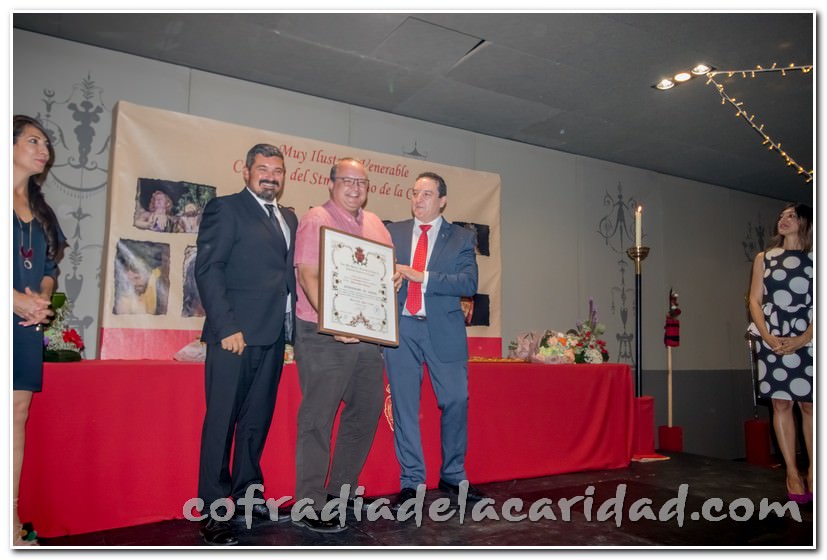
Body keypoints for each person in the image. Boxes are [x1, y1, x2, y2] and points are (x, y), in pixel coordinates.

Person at [194, 143, 297, 545]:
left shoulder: (289, 217)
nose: (271, 176)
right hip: (233, 336)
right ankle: (213, 510)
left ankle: (247, 496)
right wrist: (226, 326)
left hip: (273, 336)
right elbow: (209, 269)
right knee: (222, 422)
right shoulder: (226, 209)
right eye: (263, 169)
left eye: (278, 170)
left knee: (256, 421)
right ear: (247, 172)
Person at [292, 158, 393, 533]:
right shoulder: (316, 219)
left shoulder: (376, 224)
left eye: (361, 182)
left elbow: (382, 275)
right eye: (347, 181)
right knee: (317, 418)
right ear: (331, 183)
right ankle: (308, 503)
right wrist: (333, 321)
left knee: (366, 411)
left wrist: (393, 279)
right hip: (322, 334)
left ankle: (340, 492)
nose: (355, 188)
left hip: (366, 336)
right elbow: (308, 275)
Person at [383, 172, 483, 510]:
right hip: (402, 329)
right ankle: (412, 481)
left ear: (442, 200)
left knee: (456, 399)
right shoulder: (392, 232)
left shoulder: (462, 237)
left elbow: (468, 283)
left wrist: (421, 276)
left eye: (427, 194)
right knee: (404, 407)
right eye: (415, 193)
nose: (419, 199)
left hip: (444, 330)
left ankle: (453, 475)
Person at [12, 115, 66, 546]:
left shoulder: (41, 211)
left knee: (16, 415)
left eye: (46, 144)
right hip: (12, 309)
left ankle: (8, 518)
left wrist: (42, 299)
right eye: (33, 140)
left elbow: (49, 267)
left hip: (25, 323)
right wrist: (14, 298)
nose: (43, 150)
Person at [748, 203, 813, 504]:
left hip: (810, 336)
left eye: (792, 216)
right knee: (781, 403)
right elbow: (754, 301)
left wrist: (804, 338)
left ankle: (815, 470)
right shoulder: (765, 258)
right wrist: (767, 335)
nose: (783, 219)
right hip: (772, 335)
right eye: (782, 215)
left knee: (810, 406)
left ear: (805, 222)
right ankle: (792, 473)